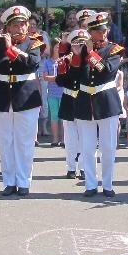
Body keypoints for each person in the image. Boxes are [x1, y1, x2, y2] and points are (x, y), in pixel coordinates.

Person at [0, 5, 44, 197]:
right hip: (2, 95)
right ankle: (9, 181)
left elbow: (31, 65)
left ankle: (24, 181)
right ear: (7, 27)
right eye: (15, 25)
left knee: (24, 142)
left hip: (25, 96)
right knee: (5, 141)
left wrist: (10, 49)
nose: (20, 29)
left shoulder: (34, 43)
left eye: (23, 25)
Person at [67, 12, 124, 198]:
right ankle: (90, 184)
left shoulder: (114, 49)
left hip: (106, 101)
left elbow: (106, 71)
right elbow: (73, 78)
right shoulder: (80, 51)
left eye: (105, 29)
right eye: (98, 30)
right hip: (85, 102)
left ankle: (107, 183)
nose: (103, 33)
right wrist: (76, 56)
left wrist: (90, 53)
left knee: (108, 147)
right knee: (87, 147)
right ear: (90, 32)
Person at [56, 29, 88, 178]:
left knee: (85, 136)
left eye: (82, 44)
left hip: (84, 98)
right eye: (76, 44)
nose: (79, 46)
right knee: (70, 138)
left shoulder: (89, 60)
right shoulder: (65, 60)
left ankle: (83, 167)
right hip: (69, 99)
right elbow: (60, 81)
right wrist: (65, 65)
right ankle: (70, 167)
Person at [41, 38, 64, 146]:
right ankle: (55, 139)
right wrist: (57, 78)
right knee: (54, 116)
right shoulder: (47, 62)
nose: (59, 48)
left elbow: (65, 77)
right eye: (57, 46)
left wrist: (55, 78)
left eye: (60, 47)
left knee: (64, 118)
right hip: (52, 94)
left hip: (63, 93)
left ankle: (64, 139)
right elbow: (45, 77)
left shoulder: (64, 61)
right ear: (53, 48)